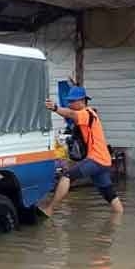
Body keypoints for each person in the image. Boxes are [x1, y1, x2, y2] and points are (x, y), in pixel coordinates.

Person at [38, 86, 123, 216]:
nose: (70, 104)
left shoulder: (85, 113)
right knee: (109, 194)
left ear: (82, 101)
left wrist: (55, 108)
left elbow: (71, 114)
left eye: (72, 101)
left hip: (96, 159)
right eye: (69, 101)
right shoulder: (90, 114)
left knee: (67, 176)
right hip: (104, 161)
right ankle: (118, 219)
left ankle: (49, 210)